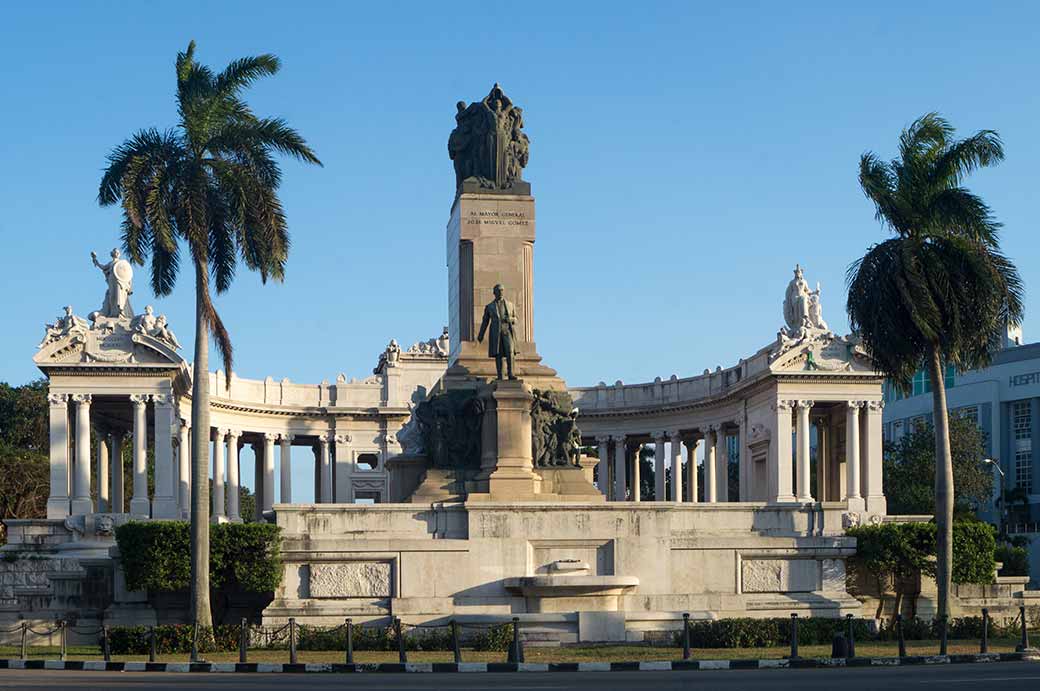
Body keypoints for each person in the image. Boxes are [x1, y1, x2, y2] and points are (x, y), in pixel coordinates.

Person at [477, 284, 519, 380]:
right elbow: (485, 321)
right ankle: (500, 375)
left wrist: (511, 319)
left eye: (502, 290)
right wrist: (481, 335)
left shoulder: (510, 305)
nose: (501, 292)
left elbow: (516, 318)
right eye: (498, 291)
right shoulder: (489, 307)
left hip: (507, 330)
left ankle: (511, 374)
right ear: (494, 293)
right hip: (496, 332)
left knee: (510, 352)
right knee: (498, 354)